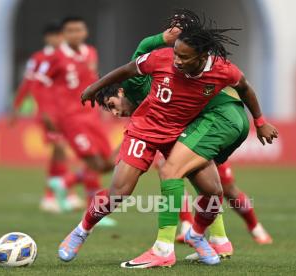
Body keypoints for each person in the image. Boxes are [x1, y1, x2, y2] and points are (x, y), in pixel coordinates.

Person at [58, 10, 278, 268]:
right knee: (120, 193)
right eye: (176, 53)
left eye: (183, 57)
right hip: (144, 130)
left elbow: (245, 88)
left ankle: (199, 236)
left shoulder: (223, 71)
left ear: (202, 57)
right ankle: (82, 230)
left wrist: (260, 122)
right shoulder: (161, 59)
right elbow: (128, 69)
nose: (177, 61)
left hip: (180, 133)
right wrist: (93, 88)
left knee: (214, 192)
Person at [96, 31, 272, 251]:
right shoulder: (150, 101)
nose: (115, 112)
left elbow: (141, 50)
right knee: (189, 178)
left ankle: (239, 231)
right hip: (201, 131)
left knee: (215, 186)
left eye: (112, 104)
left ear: (121, 90)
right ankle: (205, 234)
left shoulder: (154, 80)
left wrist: (162, 38)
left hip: (212, 125)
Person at [40, 17, 116, 226]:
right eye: (70, 30)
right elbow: (41, 84)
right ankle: (94, 212)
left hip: (92, 115)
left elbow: (93, 82)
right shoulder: (55, 57)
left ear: (85, 32)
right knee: (92, 162)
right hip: (71, 117)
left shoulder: (91, 52)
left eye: (79, 29)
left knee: (108, 163)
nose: (75, 34)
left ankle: (64, 183)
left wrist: (105, 105)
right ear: (64, 34)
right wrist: (46, 111)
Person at [11, 22, 84, 213]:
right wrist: (17, 107)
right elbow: (30, 84)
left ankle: (59, 194)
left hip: (68, 112)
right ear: (48, 38)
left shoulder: (71, 57)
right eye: (55, 36)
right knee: (59, 149)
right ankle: (54, 194)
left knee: (62, 151)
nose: (58, 39)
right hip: (50, 113)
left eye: (60, 35)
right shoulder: (40, 59)